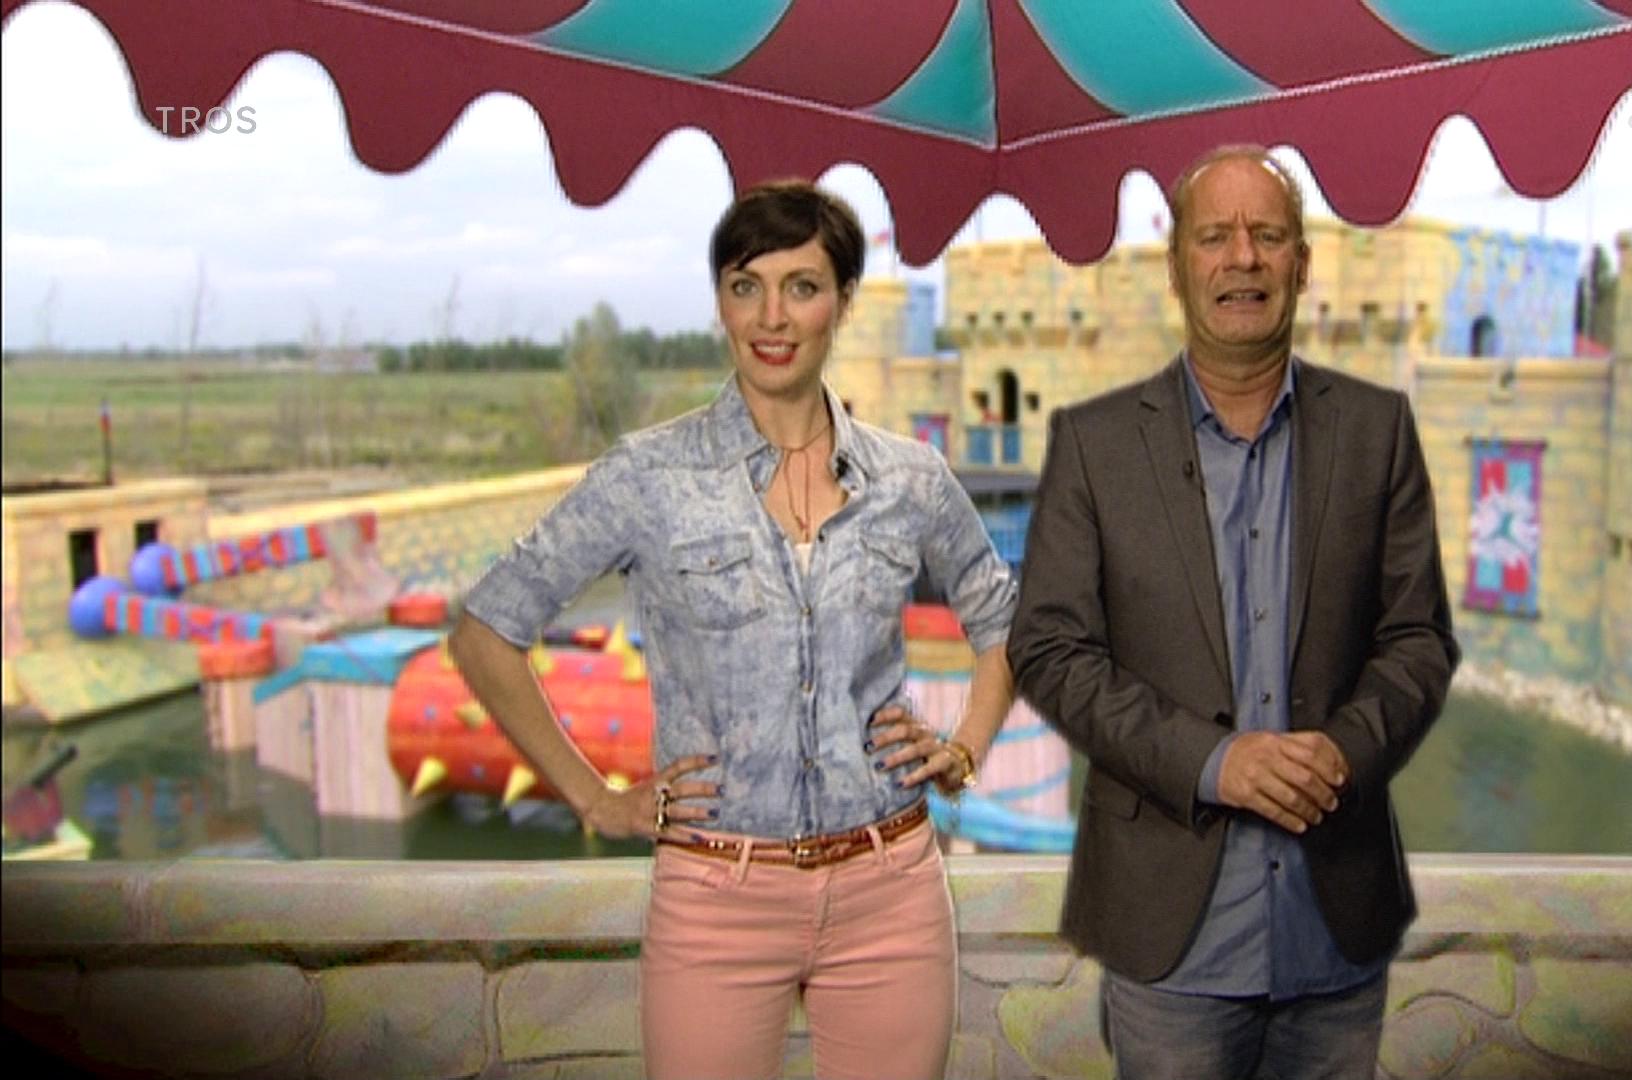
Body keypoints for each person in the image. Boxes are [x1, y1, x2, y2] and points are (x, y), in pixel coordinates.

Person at [449, 179, 1018, 1080]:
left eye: (802, 286)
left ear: (843, 303)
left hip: (891, 892)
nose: (771, 316)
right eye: (745, 285)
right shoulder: (649, 477)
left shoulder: (911, 479)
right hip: (715, 899)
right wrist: (595, 799)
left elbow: (1004, 621)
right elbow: (486, 630)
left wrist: (965, 748)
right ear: (720, 302)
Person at [1006, 145, 1459, 1079]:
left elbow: (1418, 640)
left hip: (1336, 933)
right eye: (1214, 236)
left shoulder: (1377, 432)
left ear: (1302, 263)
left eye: (1268, 235)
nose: (1242, 257)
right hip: (1169, 945)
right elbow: (1050, 651)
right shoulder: (1094, 445)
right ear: (1178, 269)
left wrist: (1346, 750)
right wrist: (1215, 762)